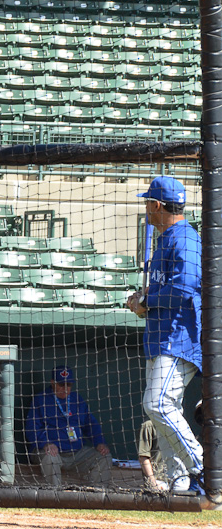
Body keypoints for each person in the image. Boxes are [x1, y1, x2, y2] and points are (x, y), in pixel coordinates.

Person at [126, 175, 205, 493]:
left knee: (157, 403)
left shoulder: (184, 237)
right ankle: (180, 481)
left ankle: (203, 467)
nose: (146, 207)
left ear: (157, 205)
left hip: (178, 338)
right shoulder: (166, 239)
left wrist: (149, 300)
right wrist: (141, 301)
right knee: (160, 411)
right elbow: (164, 290)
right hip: (161, 336)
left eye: (148, 202)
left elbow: (187, 285)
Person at [25, 366, 112, 487]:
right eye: (61, 385)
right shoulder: (41, 399)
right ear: (52, 383)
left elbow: (90, 424)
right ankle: (55, 498)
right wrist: (46, 443)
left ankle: (96, 496)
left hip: (76, 453)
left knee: (104, 456)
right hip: (52, 452)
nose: (65, 389)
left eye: (68, 385)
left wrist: (99, 442)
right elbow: (31, 428)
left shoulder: (77, 399)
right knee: (51, 459)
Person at [138, 420, 167, 491]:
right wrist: (153, 483)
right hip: (159, 480)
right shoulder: (149, 425)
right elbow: (143, 457)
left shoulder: (180, 425)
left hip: (179, 479)